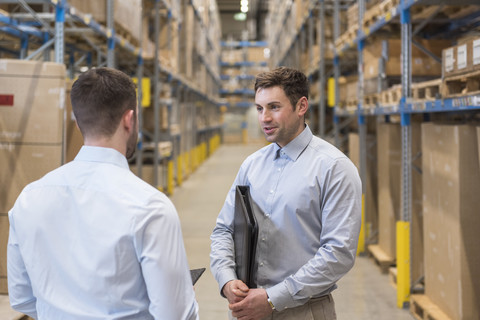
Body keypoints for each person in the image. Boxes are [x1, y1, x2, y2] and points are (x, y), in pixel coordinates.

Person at [7, 67, 199, 320]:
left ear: (77, 122)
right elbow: (175, 315)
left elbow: (21, 298)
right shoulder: (150, 208)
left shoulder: (29, 198)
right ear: (129, 120)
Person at [210, 66, 362, 320]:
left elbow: (338, 253)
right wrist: (227, 280)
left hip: (302, 311)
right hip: (246, 309)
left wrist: (272, 299)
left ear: (301, 106)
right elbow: (224, 229)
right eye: (259, 108)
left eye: (274, 107)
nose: (264, 118)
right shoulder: (252, 165)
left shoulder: (334, 168)